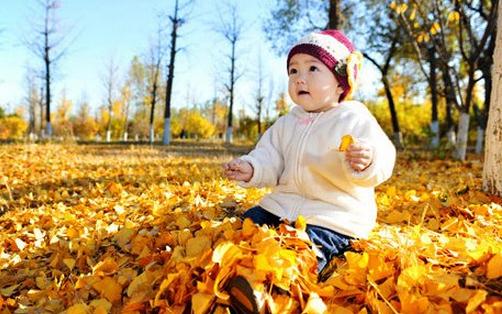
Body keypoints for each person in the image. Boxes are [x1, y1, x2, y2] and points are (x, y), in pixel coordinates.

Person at [223, 29, 396, 313]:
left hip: (331, 215)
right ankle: (239, 274)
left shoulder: (354, 117)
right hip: (281, 207)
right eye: (293, 71)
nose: (299, 78)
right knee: (248, 226)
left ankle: (278, 292)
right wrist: (252, 168)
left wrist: (368, 159)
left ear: (341, 83)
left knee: (305, 249)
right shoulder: (285, 123)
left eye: (313, 68)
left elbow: (384, 154)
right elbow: (270, 157)